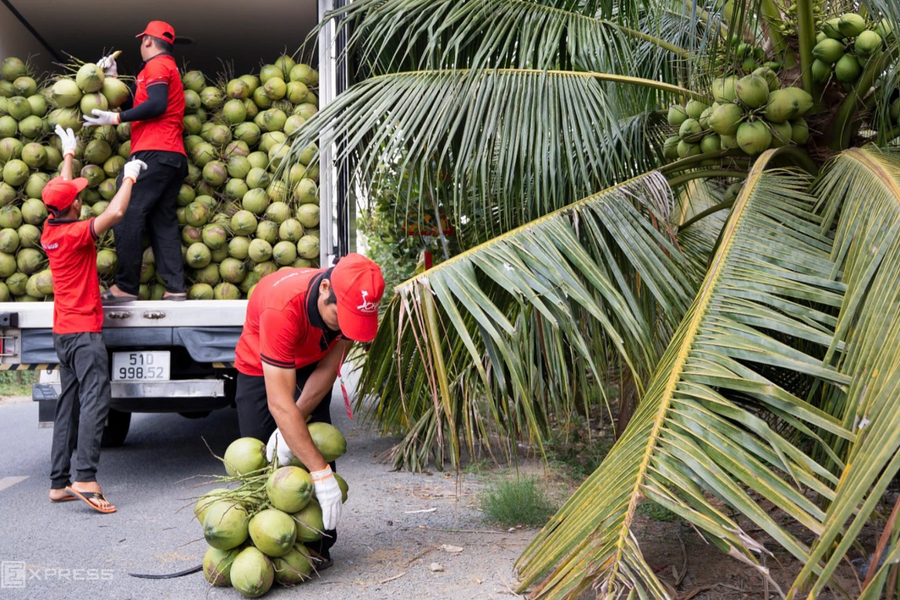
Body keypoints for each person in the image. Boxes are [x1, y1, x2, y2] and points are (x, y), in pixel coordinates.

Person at [234, 254, 385, 567]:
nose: (345, 327)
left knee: (312, 445)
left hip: (313, 361)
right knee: (259, 456)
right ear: (325, 288)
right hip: (261, 366)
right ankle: (261, 549)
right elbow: (278, 401)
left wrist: (317, 467)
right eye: (340, 317)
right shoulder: (283, 306)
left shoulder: (349, 298)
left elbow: (330, 367)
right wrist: (317, 468)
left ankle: (315, 546)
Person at [43, 125, 147, 513]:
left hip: (62, 333)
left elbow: (62, 193)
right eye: (77, 199)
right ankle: (85, 477)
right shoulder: (74, 234)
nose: (79, 201)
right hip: (84, 334)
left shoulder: (50, 229)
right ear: (72, 208)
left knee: (68, 403)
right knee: (94, 400)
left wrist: (68, 154)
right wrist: (130, 176)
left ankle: (58, 483)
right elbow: (117, 212)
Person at [83, 20, 187, 303]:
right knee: (161, 221)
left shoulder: (157, 66)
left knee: (125, 212)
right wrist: (114, 80)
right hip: (172, 156)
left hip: (153, 153)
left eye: (142, 41)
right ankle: (175, 288)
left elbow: (156, 106)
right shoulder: (163, 69)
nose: (141, 46)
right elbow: (140, 105)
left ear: (148, 41)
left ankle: (126, 286)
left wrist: (115, 118)